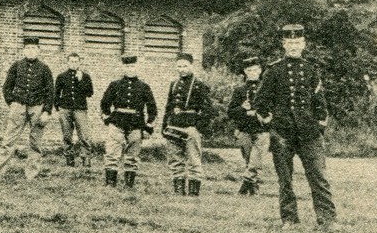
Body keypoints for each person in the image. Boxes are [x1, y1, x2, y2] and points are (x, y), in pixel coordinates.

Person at [252, 22, 336, 227]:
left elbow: (320, 103)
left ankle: (327, 220)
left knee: (318, 177)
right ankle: (290, 219)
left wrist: (319, 128)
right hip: (282, 134)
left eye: (297, 42)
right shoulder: (274, 70)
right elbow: (260, 102)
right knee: (285, 180)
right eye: (290, 42)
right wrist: (271, 123)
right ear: (283, 44)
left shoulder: (311, 70)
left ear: (304, 44)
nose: (294, 46)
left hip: (309, 133)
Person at [0, 38, 56, 181]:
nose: (31, 51)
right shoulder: (16, 66)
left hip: (37, 107)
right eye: (28, 48)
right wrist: (11, 102)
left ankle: (31, 174)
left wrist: (46, 111)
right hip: (18, 106)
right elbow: (7, 87)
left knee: (35, 142)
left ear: (39, 50)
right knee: (8, 140)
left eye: (34, 48)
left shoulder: (44, 68)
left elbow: (50, 92)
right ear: (24, 50)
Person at [98, 54, 157, 189]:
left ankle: (129, 185)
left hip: (136, 124)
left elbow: (152, 108)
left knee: (132, 155)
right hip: (117, 122)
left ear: (137, 67)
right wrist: (107, 119)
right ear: (122, 68)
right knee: (112, 153)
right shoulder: (115, 85)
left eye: (132, 66)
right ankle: (110, 184)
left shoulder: (144, 87)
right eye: (127, 66)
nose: (130, 69)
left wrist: (148, 126)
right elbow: (104, 104)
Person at [162, 51, 214, 196]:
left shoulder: (199, 85)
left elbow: (208, 109)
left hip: (190, 127)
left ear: (191, 66)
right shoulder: (174, 84)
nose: (182, 69)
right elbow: (168, 106)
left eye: (185, 66)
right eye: (179, 66)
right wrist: (164, 126)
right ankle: (178, 191)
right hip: (173, 127)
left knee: (194, 160)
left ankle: (193, 192)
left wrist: (198, 127)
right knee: (175, 160)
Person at [226, 53, 268, 196]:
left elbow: (274, 108)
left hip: (263, 129)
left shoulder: (267, 88)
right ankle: (253, 187)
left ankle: (245, 184)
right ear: (245, 72)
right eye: (249, 70)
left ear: (260, 70)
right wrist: (242, 109)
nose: (252, 73)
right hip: (244, 129)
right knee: (249, 160)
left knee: (257, 160)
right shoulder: (240, 90)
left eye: (255, 70)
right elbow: (230, 112)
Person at [54, 51, 97, 168]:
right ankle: (69, 159)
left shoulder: (85, 76)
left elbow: (89, 93)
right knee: (67, 135)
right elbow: (56, 93)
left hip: (80, 109)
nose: (74, 63)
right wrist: (58, 107)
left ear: (80, 62)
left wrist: (81, 81)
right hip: (65, 109)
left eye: (76, 61)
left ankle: (86, 159)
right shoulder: (61, 76)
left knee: (83, 135)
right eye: (71, 61)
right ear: (68, 62)